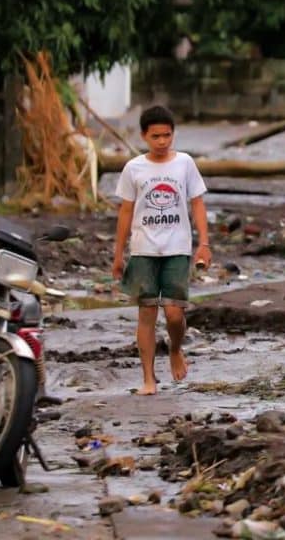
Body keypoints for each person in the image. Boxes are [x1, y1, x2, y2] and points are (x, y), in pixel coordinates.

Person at [112, 106, 211, 396]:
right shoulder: (134, 168)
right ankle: (148, 379)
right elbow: (126, 212)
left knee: (174, 314)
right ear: (144, 136)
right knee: (147, 313)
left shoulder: (184, 163)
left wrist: (204, 243)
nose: (162, 141)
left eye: (167, 135)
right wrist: (118, 255)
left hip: (177, 247)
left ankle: (176, 348)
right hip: (143, 249)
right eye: (155, 136)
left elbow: (197, 203)